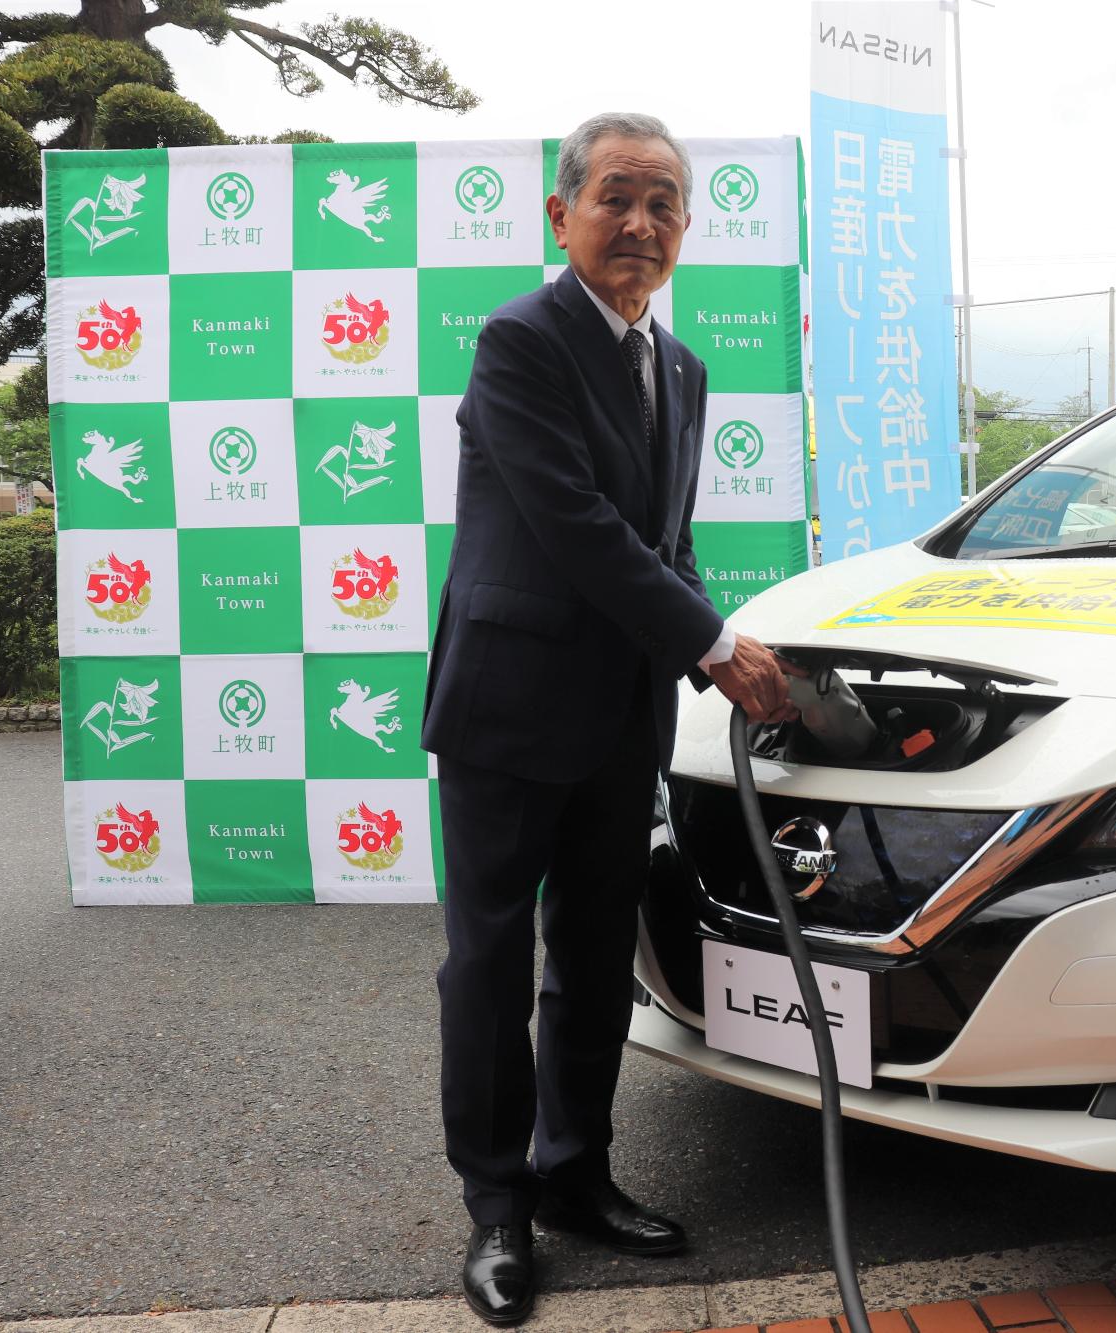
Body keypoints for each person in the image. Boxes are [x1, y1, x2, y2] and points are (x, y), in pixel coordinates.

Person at [421, 111, 802, 1327]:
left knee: (595, 962)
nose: (640, 224)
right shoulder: (518, 342)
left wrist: (707, 645)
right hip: (508, 708)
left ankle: (574, 1173)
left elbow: (664, 543)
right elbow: (575, 527)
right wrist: (711, 642)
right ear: (561, 215)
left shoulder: (680, 368)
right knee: (487, 964)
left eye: (664, 205)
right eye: (616, 200)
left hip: (617, 716)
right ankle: (495, 1208)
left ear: (684, 228)